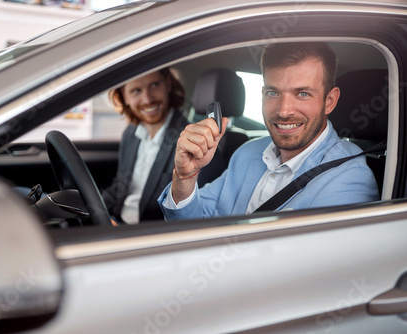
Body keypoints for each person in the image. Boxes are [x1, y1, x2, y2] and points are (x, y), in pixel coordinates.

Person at [158, 42, 379, 220]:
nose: (283, 111)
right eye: (273, 93)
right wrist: (185, 178)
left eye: (302, 94)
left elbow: (312, 269)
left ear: (329, 101)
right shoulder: (247, 154)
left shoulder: (349, 178)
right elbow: (193, 223)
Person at [102, 68, 225, 224]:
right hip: (117, 223)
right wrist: (94, 211)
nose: (147, 99)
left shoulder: (196, 144)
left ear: (168, 84)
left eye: (154, 85)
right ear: (124, 97)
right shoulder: (130, 134)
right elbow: (120, 185)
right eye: (136, 91)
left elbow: (195, 217)